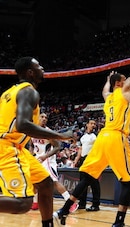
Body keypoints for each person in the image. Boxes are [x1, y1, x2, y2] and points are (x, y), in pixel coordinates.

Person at [53, 28, 130, 227]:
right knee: (126, 181)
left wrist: (108, 80)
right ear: (120, 83)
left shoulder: (108, 98)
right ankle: (118, 223)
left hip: (102, 136)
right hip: (116, 136)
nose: (128, 81)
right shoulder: (124, 91)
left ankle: (63, 211)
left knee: (87, 176)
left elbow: (104, 89)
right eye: (124, 80)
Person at [0, 56, 73, 227]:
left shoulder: (9, 92)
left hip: (17, 146)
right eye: (39, 66)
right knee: (22, 204)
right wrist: (59, 135)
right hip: (7, 146)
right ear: (30, 72)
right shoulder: (29, 92)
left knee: (46, 183)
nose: (43, 68)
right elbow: (23, 124)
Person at [30, 113, 79, 213]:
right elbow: (31, 144)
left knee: (54, 181)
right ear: (37, 118)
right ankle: (35, 203)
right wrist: (31, 155)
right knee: (34, 181)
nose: (44, 119)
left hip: (48, 159)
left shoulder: (48, 132)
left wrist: (45, 156)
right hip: (37, 158)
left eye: (46, 118)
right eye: (42, 117)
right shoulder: (33, 130)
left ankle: (71, 203)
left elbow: (57, 146)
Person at [74, 119, 101, 211]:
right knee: (83, 182)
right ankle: (82, 203)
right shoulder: (83, 136)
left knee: (94, 183)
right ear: (87, 125)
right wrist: (76, 160)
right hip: (83, 160)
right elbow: (81, 148)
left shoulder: (96, 136)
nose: (93, 125)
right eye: (91, 123)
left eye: (94, 124)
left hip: (92, 160)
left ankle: (96, 204)